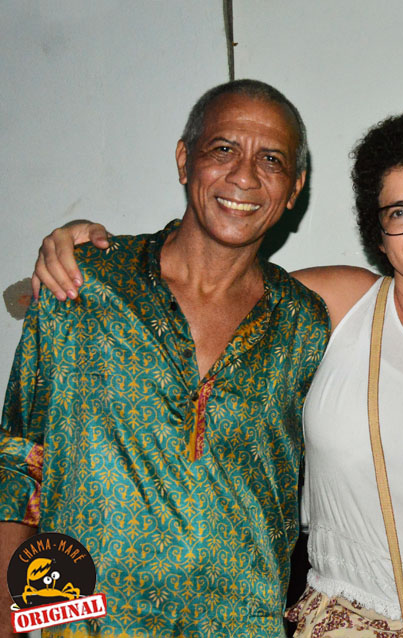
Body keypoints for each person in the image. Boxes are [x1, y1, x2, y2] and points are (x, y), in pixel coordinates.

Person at [27, 111, 403, 637]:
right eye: (398, 212)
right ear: (379, 235)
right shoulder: (334, 304)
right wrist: (86, 248)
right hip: (339, 620)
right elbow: (206, 287)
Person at [0, 79, 331, 637]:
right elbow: (17, 465)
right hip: (91, 623)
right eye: (223, 148)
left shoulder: (304, 323)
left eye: (271, 159)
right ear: (184, 160)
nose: (245, 176)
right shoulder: (82, 286)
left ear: (294, 188)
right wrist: (10, 620)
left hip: (240, 625)